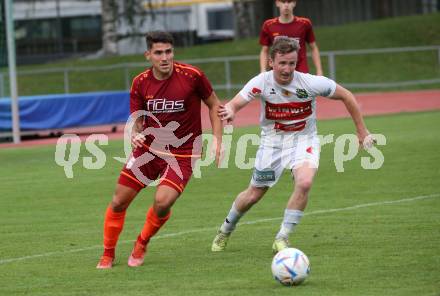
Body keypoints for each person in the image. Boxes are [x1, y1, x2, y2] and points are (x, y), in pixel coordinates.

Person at [211, 37, 375, 254]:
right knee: (254, 194)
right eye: (282, 63)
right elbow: (235, 102)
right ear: (271, 62)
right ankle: (225, 229)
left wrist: (362, 131)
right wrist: (231, 110)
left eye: (292, 63)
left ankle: (282, 237)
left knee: (305, 182)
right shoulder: (261, 81)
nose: (287, 69)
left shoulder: (310, 83)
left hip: (304, 141)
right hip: (272, 144)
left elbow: (346, 95)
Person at [97, 31, 223, 269]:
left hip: (184, 152)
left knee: (163, 202)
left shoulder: (192, 76)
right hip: (149, 150)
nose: (165, 57)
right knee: (118, 201)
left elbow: (214, 105)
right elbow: (137, 118)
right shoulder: (140, 82)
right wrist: (135, 134)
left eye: (168, 52)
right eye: (158, 53)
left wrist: (218, 139)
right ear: (148, 55)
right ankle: (108, 254)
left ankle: (141, 242)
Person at [259, 0, 323, 75]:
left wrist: (319, 70)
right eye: (283, 2)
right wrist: (263, 70)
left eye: (289, 1)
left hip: (300, 71)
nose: (286, 5)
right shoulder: (268, 25)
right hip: (278, 71)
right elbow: (264, 51)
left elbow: (313, 48)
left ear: (294, 3)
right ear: (277, 3)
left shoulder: (304, 23)